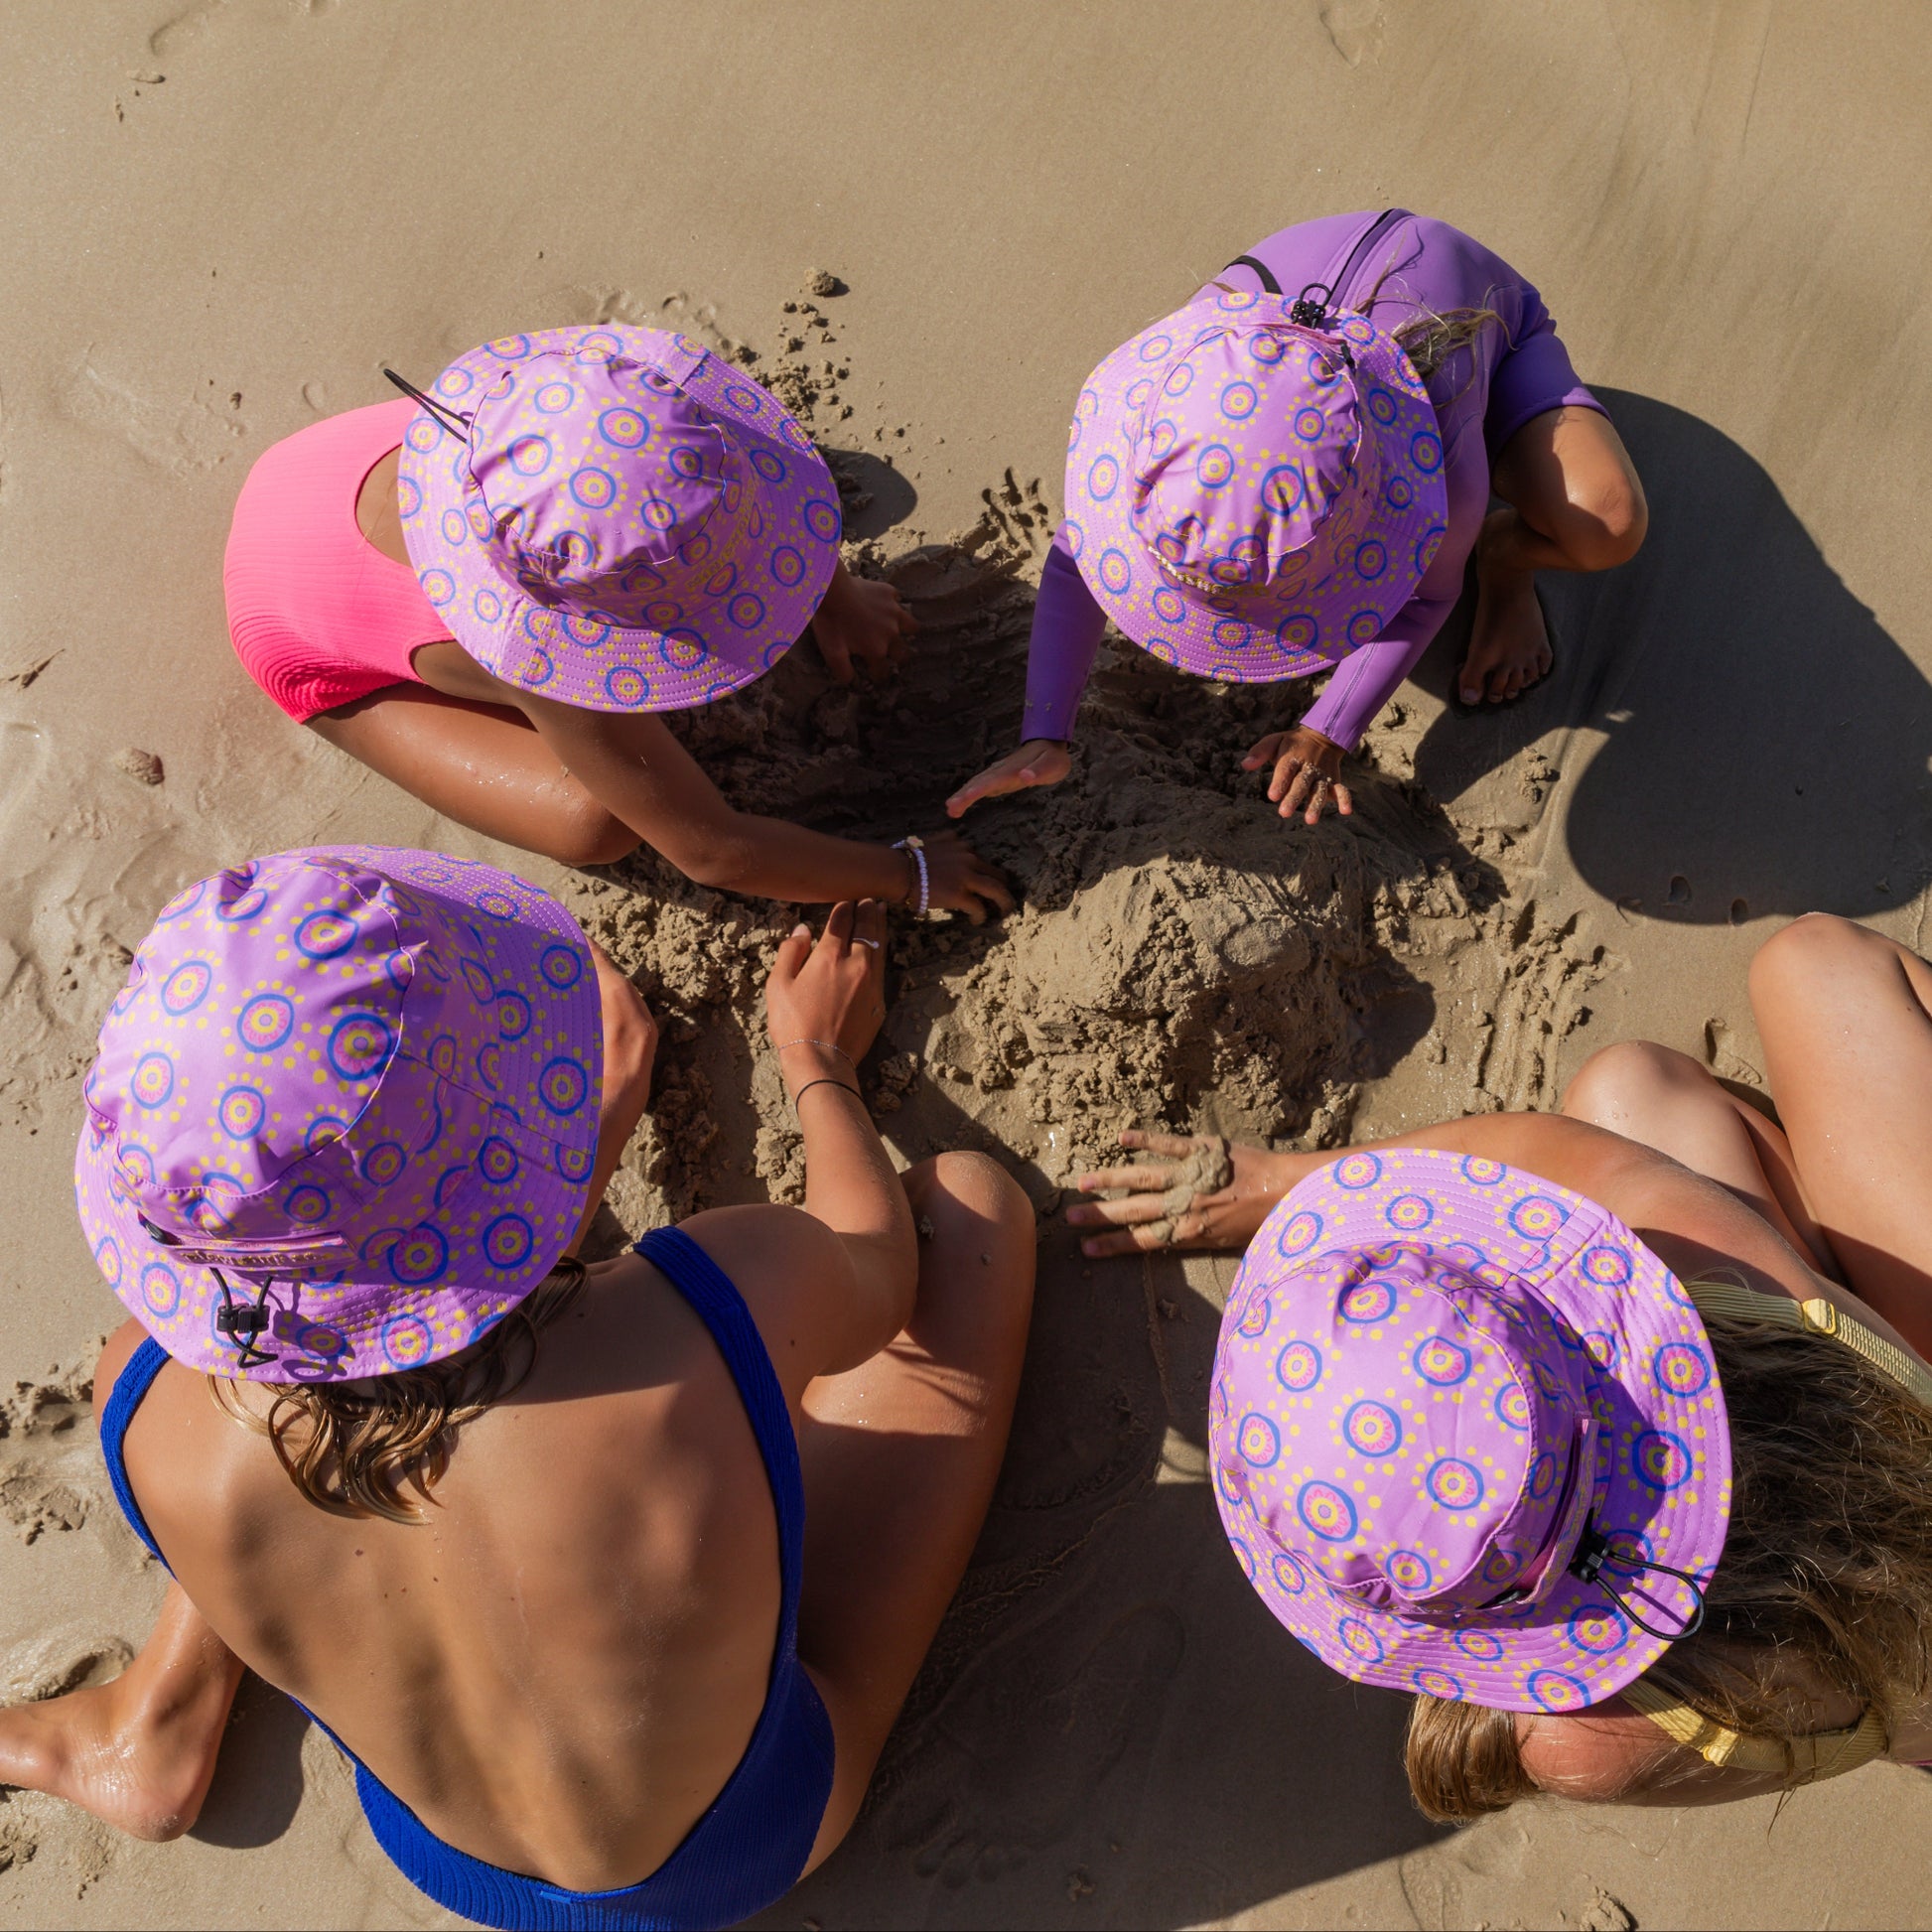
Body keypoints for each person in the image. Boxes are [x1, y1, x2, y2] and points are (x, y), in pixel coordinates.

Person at [6, 846, 1035, 1929]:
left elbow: (385, 1375)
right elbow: (877, 1267)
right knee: (967, 1213)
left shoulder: (141, 1395)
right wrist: (815, 1056)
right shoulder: (704, 1309)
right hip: (730, 1845)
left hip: (449, 1854)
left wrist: (581, 1153)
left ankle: (155, 1718)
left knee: (252, 1418)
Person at [1066, 912, 1932, 1814]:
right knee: (1775, 988)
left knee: (1630, 1089)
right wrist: (1288, 1188)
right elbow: (1522, 1154)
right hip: (1897, 1430)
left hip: (1897, 1667)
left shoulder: (1581, 1740)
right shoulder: (1693, 1249)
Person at [224, 324, 1011, 919]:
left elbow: (747, 485)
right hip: (290, 628)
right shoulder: (525, 648)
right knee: (594, 820)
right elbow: (711, 849)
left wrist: (834, 592)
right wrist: (905, 875)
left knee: (668, 486)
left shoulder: (634, 412)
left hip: (351, 461)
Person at [948, 209, 1647, 828]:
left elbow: (1430, 594)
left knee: (1608, 522)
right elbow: (1078, 553)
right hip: (1290, 316)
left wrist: (1329, 729)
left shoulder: (1442, 474)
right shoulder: (1176, 404)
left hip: (1489, 324)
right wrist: (1047, 729)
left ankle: (1506, 557)